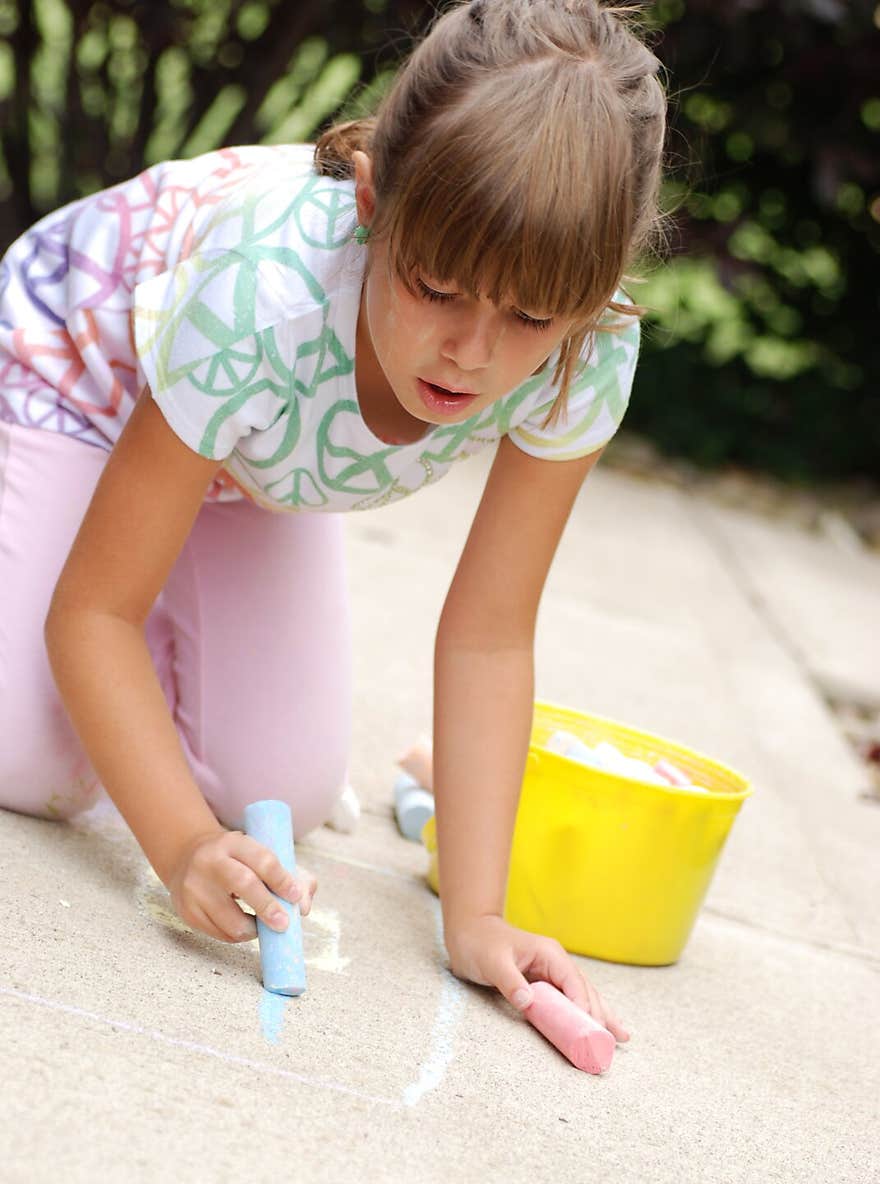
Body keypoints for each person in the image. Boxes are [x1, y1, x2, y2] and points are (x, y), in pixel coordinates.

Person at [0, 0, 670, 1042]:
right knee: (30, 756)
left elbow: (491, 630)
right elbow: (92, 613)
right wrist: (179, 845)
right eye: (436, 287)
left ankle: (158, 573)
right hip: (77, 371)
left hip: (251, 456)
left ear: (589, 294)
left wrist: (477, 916)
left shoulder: (588, 345)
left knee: (283, 788)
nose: (470, 354)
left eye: (530, 317)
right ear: (369, 202)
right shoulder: (260, 295)